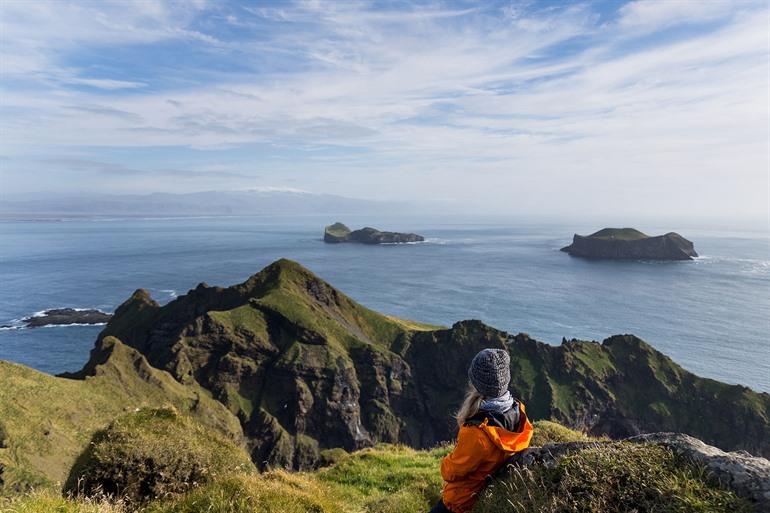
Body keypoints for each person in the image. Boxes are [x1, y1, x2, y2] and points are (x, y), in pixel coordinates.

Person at [429, 348, 533, 513]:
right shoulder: (518, 411)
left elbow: (452, 472)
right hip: (487, 491)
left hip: (462, 501)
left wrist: (446, 462)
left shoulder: (477, 433)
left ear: (475, 383)